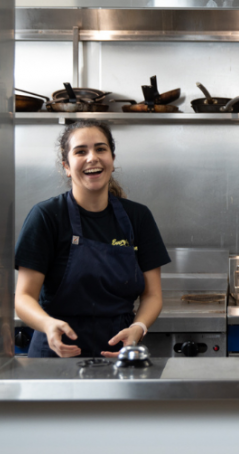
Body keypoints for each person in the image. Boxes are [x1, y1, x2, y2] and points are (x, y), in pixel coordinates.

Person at [14, 120, 170, 358]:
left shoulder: (138, 217)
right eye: (80, 151)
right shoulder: (46, 216)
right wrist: (47, 324)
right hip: (56, 354)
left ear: (112, 160)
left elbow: (152, 294)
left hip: (118, 350)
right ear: (66, 166)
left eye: (100, 149)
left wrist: (138, 328)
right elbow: (24, 296)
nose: (92, 158)